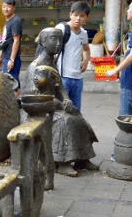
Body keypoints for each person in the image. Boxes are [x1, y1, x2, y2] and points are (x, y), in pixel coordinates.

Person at [22, 28, 98, 181]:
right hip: (39, 110)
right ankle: (63, 161)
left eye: (60, 39)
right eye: (53, 39)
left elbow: (60, 86)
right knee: (65, 121)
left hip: (52, 106)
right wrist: (58, 104)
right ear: (43, 42)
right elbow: (35, 95)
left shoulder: (51, 63)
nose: (58, 43)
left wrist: (66, 100)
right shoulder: (36, 66)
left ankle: (83, 157)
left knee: (77, 115)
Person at [55, 1, 91, 111]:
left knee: (75, 111)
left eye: (82, 16)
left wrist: (85, 61)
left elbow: (86, 49)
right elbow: (50, 48)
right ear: (70, 15)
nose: (78, 19)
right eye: (75, 15)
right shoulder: (62, 28)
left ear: (87, 18)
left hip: (77, 79)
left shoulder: (83, 33)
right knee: (62, 110)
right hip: (63, 78)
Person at [0, 0, 23, 97]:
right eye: (3, 6)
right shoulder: (8, 21)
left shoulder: (15, 21)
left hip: (12, 58)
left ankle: (15, 105)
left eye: (8, 6)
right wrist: (0, 56)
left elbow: (16, 41)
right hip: (6, 56)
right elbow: (5, 41)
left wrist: (11, 59)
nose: (5, 9)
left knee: (13, 81)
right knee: (8, 81)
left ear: (14, 8)